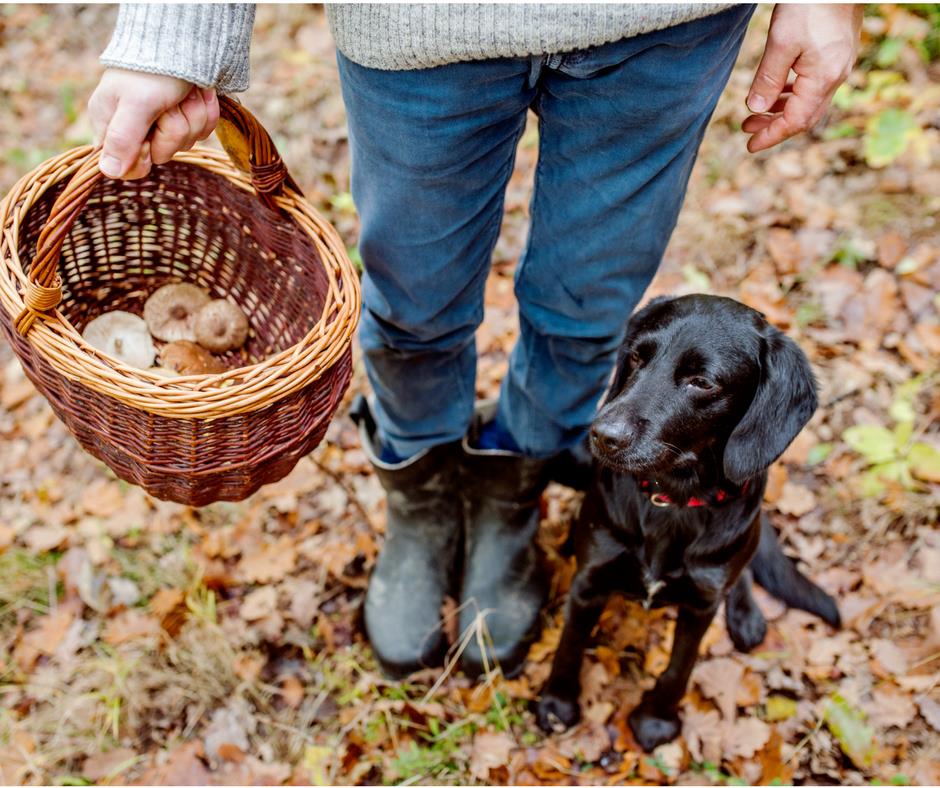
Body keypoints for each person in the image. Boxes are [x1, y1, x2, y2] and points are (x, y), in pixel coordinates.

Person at [89, 3, 861, 680]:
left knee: (587, 314)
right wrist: (174, 35)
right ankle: (422, 503)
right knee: (415, 307)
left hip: (664, 29)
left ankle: (511, 497)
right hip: (416, 27)